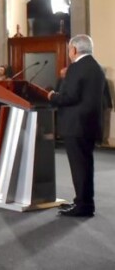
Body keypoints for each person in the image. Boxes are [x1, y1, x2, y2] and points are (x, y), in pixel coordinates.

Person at [48, 35, 107, 218]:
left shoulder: (76, 67)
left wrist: (52, 97)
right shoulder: (96, 67)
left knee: (79, 167)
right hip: (89, 124)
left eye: (69, 50)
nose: (69, 53)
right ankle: (84, 202)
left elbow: (70, 97)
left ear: (74, 49)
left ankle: (83, 206)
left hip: (76, 125)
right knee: (86, 166)